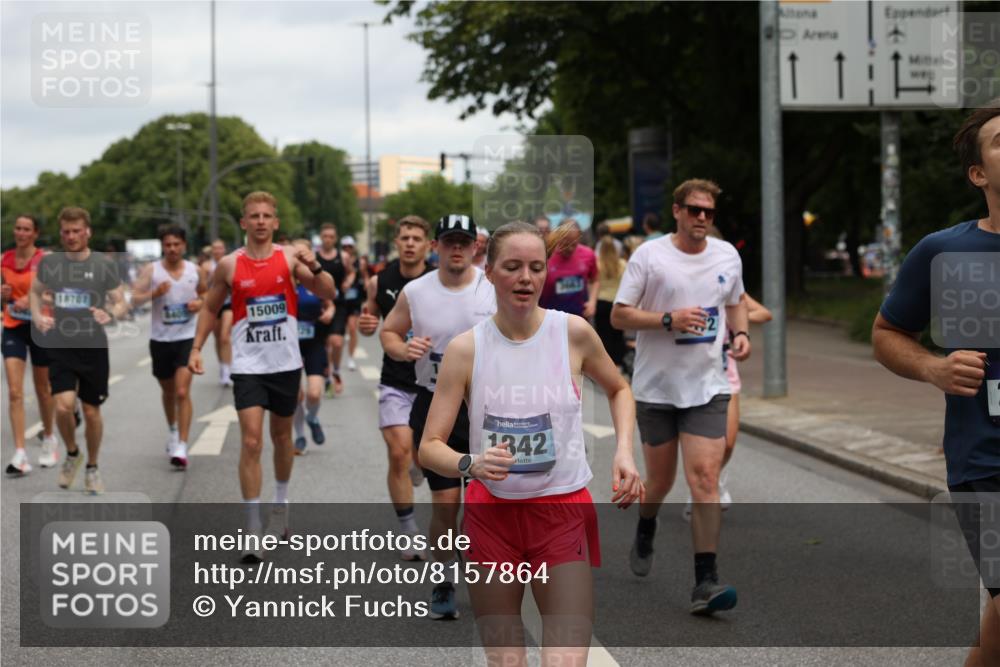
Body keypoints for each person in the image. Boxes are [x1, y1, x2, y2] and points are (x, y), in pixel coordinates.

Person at [418, 221, 643, 663]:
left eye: (536, 267)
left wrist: (624, 452)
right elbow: (430, 446)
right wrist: (471, 464)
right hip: (491, 517)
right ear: (489, 272)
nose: (525, 277)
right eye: (513, 266)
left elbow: (619, 389)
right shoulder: (467, 349)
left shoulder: (572, 332)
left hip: (560, 512)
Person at [872, 104, 1000, 666]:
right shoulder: (945, 250)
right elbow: (887, 333)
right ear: (979, 173)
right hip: (985, 459)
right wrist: (934, 369)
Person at [610, 178, 750, 615]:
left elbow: (737, 300)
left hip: (708, 386)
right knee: (661, 482)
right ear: (677, 211)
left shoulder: (727, 255)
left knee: (705, 479)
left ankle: (705, 581)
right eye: (694, 210)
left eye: (708, 212)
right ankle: (646, 524)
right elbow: (618, 315)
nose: (702, 218)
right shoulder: (650, 256)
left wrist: (741, 331)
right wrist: (668, 319)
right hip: (657, 389)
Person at [188, 192, 335, 561]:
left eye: (266, 215)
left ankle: (280, 505)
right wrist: (196, 348)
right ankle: (252, 526)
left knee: (282, 438)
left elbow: (327, 291)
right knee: (252, 442)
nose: (260, 221)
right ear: (243, 222)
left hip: (284, 364)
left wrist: (314, 266)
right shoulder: (228, 265)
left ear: (275, 222)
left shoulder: (288, 258)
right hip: (248, 366)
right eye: (253, 215)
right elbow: (209, 306)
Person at [380, 213, 496, 618]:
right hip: (435, 409)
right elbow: (390, 331)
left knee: (486, 507)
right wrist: (402, 349)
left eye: (465, 241)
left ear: (476, 246)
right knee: (447, 507)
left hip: (486, 409)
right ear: (437, 247)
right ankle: (444, 580)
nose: (458, 248)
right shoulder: (416, 291)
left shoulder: (492, 287)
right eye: (450, 241)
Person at [31, 206, 128, 494]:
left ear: (88, 232)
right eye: (66, 232)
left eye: (76, 231)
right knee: (62, 406)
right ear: (61, 233)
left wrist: (110, 313)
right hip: (61, 343)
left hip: (93, 346)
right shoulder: (51, 264)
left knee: (91, 410)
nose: (71, 237)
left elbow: (121, 302)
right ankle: (73, 453)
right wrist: (38, 316)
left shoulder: (103, 264)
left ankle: (92, 467)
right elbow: (35, 293)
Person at [358, 215, 435, 559]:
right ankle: (409, 531)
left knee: (420, 456)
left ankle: (419, 462)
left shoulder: (439, 281)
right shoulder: (380, 281)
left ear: (428, 245)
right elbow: (369, 321)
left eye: (417, 238)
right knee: (399, 451)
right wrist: (366, 323)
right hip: (396, 380)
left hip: (434, 384)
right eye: (404, 237)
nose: (409, 243)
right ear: (396, 242)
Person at [129, 225, 207, 469]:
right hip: (161, 340)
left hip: (187, 338)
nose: (172, 249)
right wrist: (154, 293)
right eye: (167, 245)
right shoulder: (152, 271)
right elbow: (134, 298)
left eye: (176, 244)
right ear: (163, 246)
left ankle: (182, 446)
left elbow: (206, 294)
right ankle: (173, 428)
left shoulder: (195, 271)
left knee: (182, 392)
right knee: (169, 391)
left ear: (184, 245)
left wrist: (199, 303)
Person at [2, 214, 57, 475]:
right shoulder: (4, 260)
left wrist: (33, 298)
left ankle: (48, 437)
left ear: (35, 233)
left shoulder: (44, 260)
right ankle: (20, 453)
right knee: (14, 392)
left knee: (43, 389)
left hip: (41, 327)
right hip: (13, 327)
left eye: (26, 229)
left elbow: (55, 293)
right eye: (18, 228)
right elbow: (3, 296)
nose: (21, 233)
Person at [291, 239, 334, 455]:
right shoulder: (286, 279)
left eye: (303, 251)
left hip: (314, 342)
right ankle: (299, 435)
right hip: (289, 345)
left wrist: (329, 312)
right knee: (296, 395)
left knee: (315, 394)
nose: (299, 255)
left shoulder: (315, 279)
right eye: (295, 251)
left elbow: (330, 300)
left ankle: (312, 417)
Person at [315, 224, 350, 395]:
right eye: (325, 236)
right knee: (324, 344)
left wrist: (348, 282)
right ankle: (327, 373)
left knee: (336, 341)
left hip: (339, 303)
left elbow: (351, 272)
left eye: (331, 236)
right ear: (321, 237)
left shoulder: (343, 256)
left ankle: (335, 370)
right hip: (319, 304)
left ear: (335, 239)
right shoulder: (314, 257)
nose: (328, 239)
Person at [540, 220, 599, 319]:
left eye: (574, 244)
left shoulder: (588, 254)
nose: (570, 248)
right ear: (558, 237)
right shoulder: (545, 255)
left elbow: (595, 280)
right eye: (566, 243)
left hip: (579, 319)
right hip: (549, 319)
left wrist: (592, 302)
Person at [201, 239, 233, 387]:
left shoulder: (230, 263)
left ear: (224, 249)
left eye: (220, 248)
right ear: (211, 251)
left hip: (228, 303)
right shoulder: (206, 266)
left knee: (225, 336)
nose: (218, 251)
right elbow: (202, 288)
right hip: (214, 305)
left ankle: (227, 371)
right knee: (217, 338)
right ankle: (222, 365)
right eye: (215, 248)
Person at [594, 230, 627, 368]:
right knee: (617, 335)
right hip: (616, 302)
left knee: (603, 336)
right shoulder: (622, 264)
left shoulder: (597, 264)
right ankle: (618, 363)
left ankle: (606, 364)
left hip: (601, 302)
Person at [340, 236, 364, 372]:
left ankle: (351, 358)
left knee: (353, 328)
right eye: (345, 247)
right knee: (338, 334)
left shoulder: (359, 263)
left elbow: (365, 278)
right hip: (341, 301)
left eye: (350, 247)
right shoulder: (338, 261)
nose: (347, 249)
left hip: (355, 300)